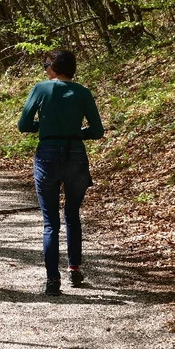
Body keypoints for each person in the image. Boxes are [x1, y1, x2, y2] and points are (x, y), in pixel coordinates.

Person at [18, 50, 104, 296]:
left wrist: (44, 127)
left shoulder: (42, 89)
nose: (45, 68)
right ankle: (75, 269)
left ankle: (52, 280)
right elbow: (97, 130)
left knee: (50, 223)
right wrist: (76, 133)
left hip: (47, 154)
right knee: (72, 215)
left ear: (54, 68)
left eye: (46, 64)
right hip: (76, 154)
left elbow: (23, 125)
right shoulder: (83, 92)